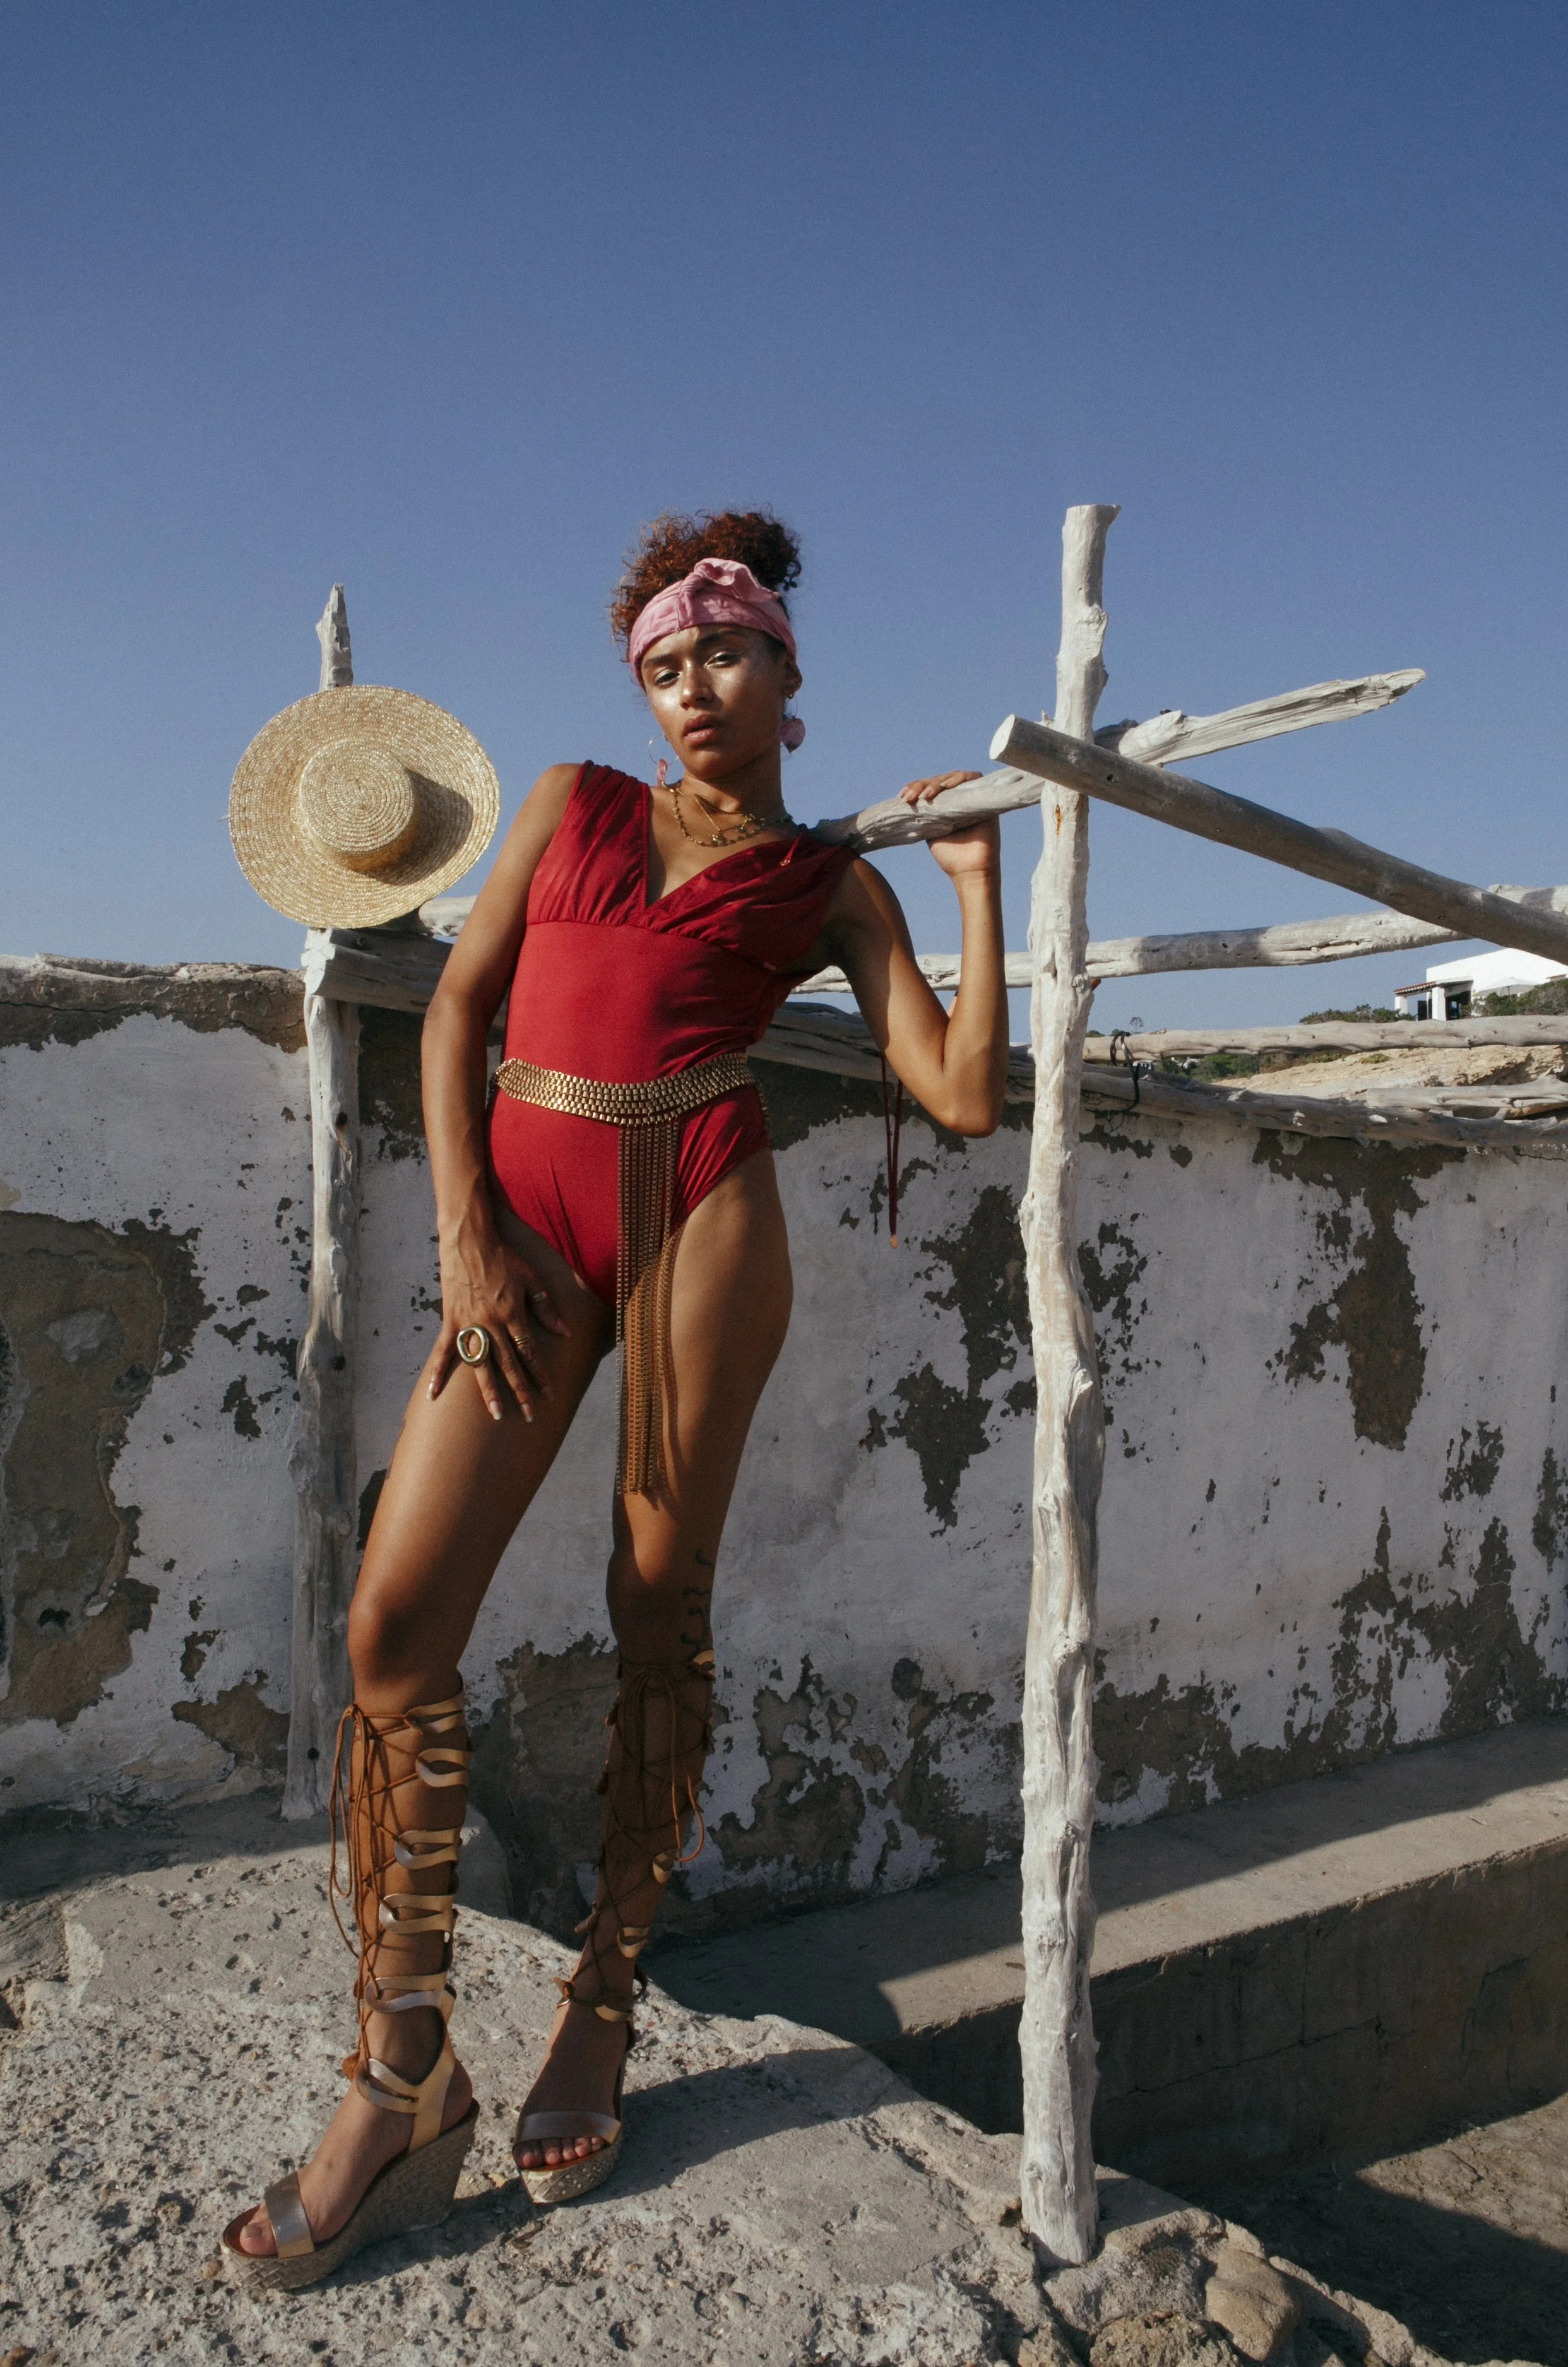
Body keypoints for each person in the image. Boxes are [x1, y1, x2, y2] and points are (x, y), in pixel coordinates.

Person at [223, 510, 1008, 2287]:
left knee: (656, 1612)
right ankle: (404, 2060)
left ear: (787, 676)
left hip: (701, 1225)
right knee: (392, 1623)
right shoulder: (572, 804)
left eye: (723, 654)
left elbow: (957, 1093)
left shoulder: (828, 885)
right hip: (528, 1238)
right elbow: (454, 1018)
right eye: (664, 665)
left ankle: (601, 1993)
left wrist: (966, 879)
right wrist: (469, 1242)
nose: (692, 690)